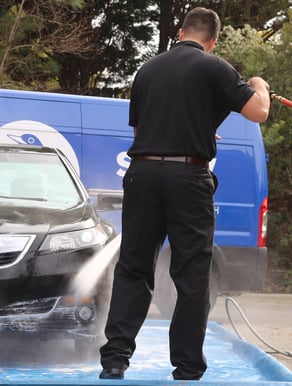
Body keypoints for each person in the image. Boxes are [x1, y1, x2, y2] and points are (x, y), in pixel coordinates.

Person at [98, 7, 270, 381]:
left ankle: (114, 360)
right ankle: (187, 366)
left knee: (133, 268)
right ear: (213, 41)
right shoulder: (215, 67)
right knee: (191, 273)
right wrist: (260, 85)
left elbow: (145, 128)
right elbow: (258, 112)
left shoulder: (147, 70)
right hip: (187, 178)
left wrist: (199, 132)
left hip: (142, 174)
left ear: (179, 32)